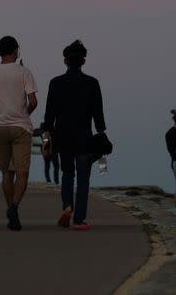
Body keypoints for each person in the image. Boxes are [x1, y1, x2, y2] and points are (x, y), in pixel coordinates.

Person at [42, 39, 106, 231]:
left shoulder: (56, 83)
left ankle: (67, 206)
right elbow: (98, 114)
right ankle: (79, 219)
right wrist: (101, 134)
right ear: (83, 61)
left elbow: (49, 115)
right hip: (84, 138)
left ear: (65, 61)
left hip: (63, 137)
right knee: (84, 178)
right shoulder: (92, 83)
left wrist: (46, 140)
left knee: (67, 174)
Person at [0, 36, 38, 231]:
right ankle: (15, 207)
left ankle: (11, 212)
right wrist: (25, 113)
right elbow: (33, 101)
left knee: (6, 173)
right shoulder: (25, 72)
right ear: (16, 50)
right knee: (22, 172)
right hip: (21, 127)